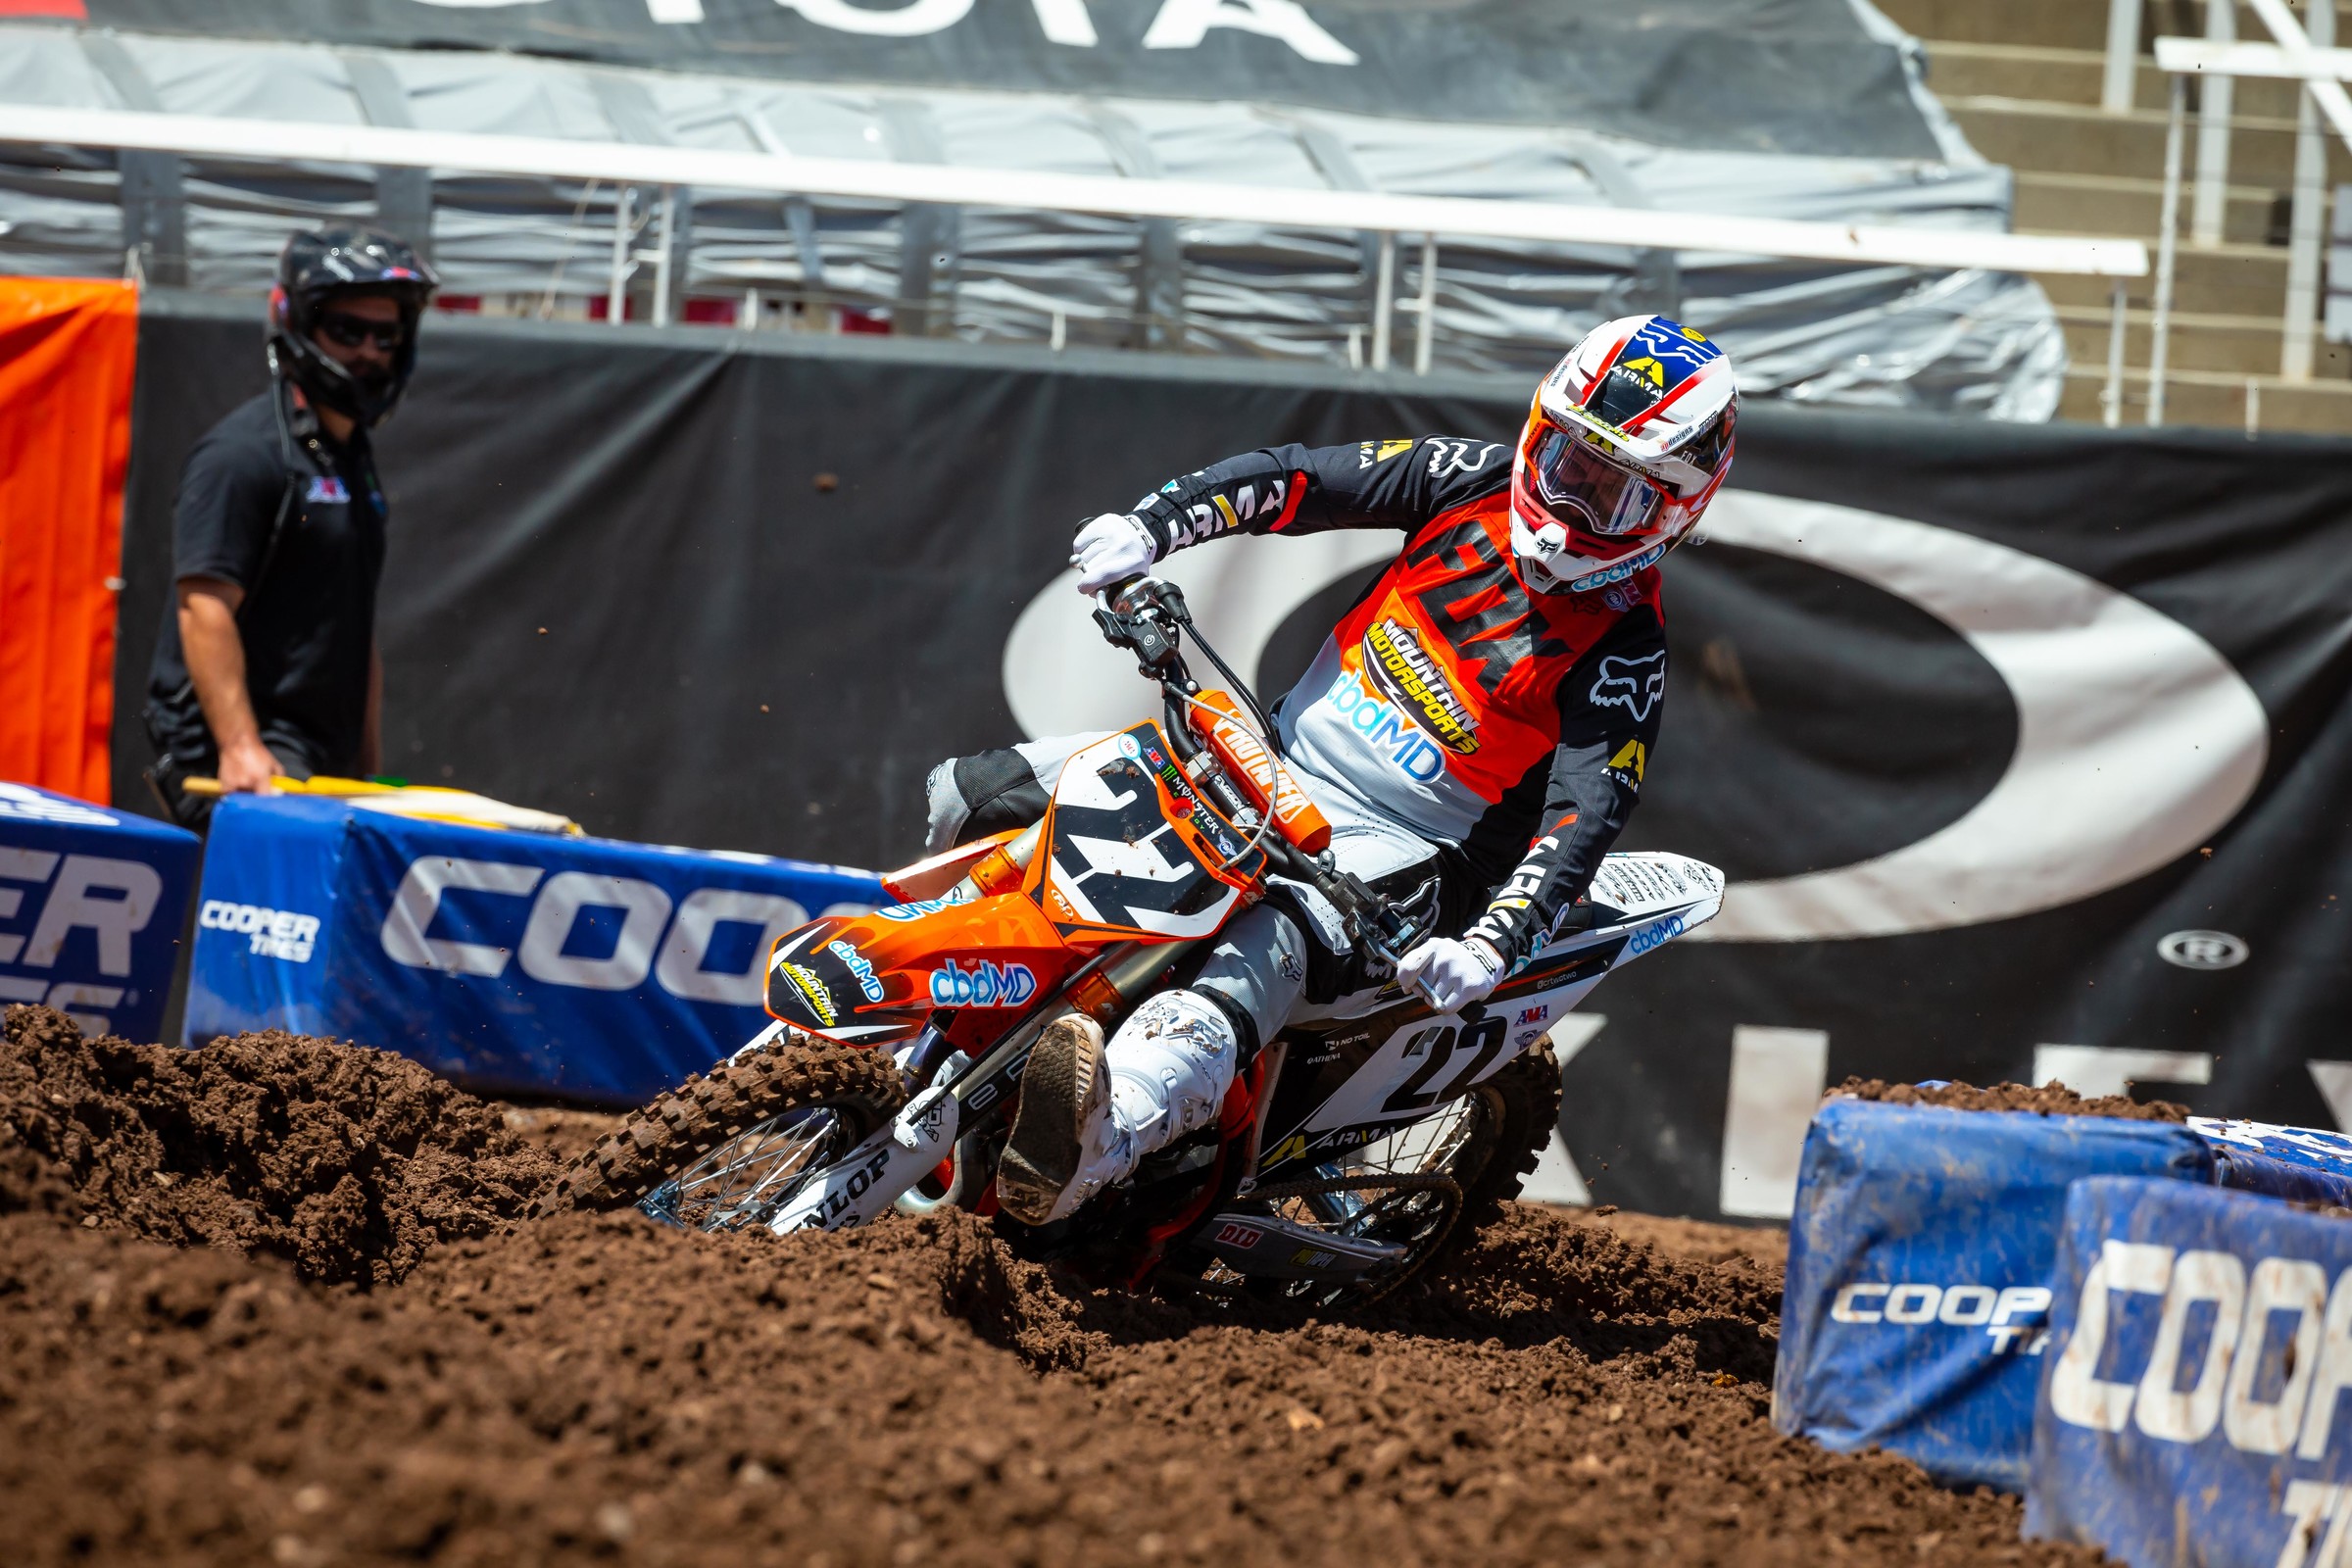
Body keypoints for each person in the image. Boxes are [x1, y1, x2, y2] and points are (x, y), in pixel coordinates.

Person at [925, 314, 1739, 1226]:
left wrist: (1491, 946)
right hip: (1267, 760)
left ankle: (1100, 1143)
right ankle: (932, 1029)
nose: (1573, 502)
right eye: (1566, 463)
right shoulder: (1467, 476)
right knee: (977, 796)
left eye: (1613, 493)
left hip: (1416, 858)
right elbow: (1298, 479)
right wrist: (1151, 525)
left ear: (1676, 508)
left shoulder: (1626, 648)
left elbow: (1584, 816)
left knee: (1262, 944)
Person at [143, 226, 438, 830]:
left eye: (385, 335)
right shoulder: (243, 454)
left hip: (320, 765)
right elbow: (203, 606)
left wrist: (365, 760)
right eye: (347, 330)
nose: (369, 351)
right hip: (247, 763)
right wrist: (239, 745)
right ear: (300, 323)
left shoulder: (352, 458)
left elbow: (352, 623)